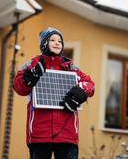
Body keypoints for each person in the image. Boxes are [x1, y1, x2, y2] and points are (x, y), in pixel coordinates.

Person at [13, 27, 95, 159]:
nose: (57, 43)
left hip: (67, 134)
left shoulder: (70, 67)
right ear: (44, 43)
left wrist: (79, 93)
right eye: (52, 40)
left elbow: (90, 84)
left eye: (60, 41)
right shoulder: (32, 65)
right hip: (40, 134)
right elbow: (18, 87)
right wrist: (30, 77)